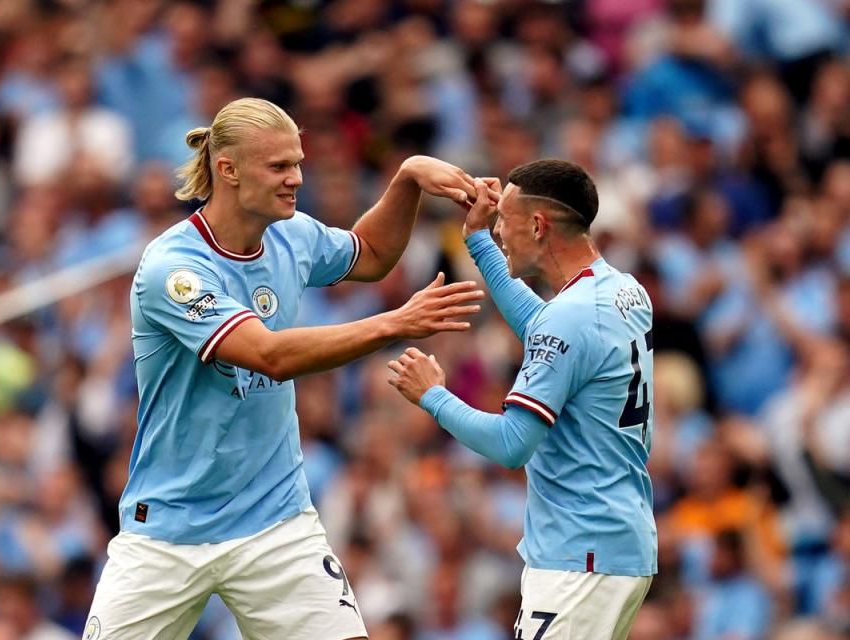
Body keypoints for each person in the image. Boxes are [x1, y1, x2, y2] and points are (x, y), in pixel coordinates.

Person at [84, 97, 484, 640]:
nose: (297, 178)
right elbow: (270, 357)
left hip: (275, 520)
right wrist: (395, 323)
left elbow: (368, 254)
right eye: (279, 166)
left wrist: (408, 178)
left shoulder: (290, 234)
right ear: (228, 170)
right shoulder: (173, 270)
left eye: (297, 163)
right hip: (170, 529)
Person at [388, 159, 657, 640]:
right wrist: (478, 243)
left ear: (538, 225)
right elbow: (545, 329)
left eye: (503, 220)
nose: (499, 230)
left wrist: (432, 395)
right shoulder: (622, 291)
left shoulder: (571, 317)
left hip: (580, 556)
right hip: (617, 543)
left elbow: (513, 443)